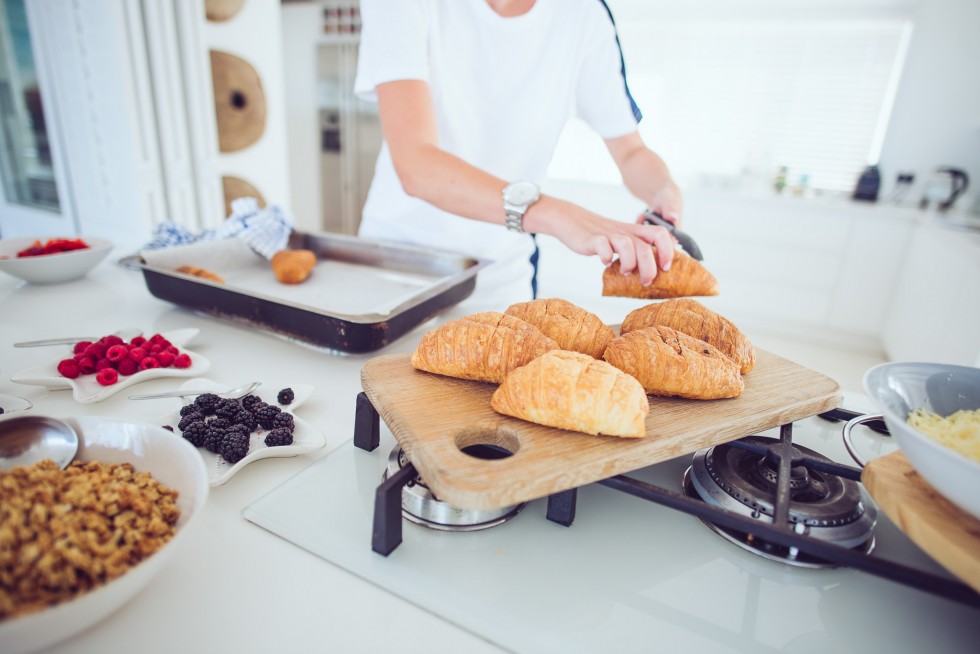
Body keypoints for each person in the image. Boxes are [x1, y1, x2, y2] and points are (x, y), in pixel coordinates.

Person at [354, 0, 683, 307]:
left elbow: (631, 151)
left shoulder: (584, 14)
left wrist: (662, 189)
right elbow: (417, 165)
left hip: (501, 287)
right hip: (394, 278)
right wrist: (559, 216)